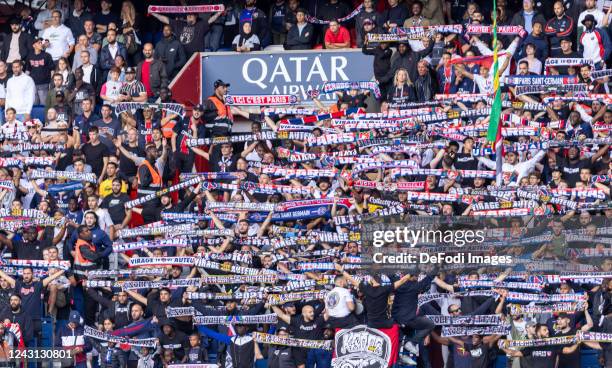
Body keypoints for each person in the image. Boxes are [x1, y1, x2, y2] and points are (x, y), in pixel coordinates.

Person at [25, 37, 55, 105]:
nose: (41, 44)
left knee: (44, 105)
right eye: (39, 43)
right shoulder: (30, 56)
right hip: (32, 84)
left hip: (44, 84)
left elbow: (52, 70)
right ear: (34, 45)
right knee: (34, 105)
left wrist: (51, 82)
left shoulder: (47, 55)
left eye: (41, 42)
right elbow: (28, 70)